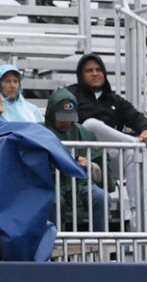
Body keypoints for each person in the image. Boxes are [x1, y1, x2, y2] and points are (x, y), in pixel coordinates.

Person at [43, 90, 108, 232]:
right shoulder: (40, 132)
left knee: (101, 197)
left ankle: (100, 241)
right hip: (51, 184)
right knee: (52, 200)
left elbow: (103, 174)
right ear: (52, 114)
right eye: (61, 117)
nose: (66, 122)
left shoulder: (85, 134)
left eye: (70, 117)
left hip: (81, 184)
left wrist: (89, 165)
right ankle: (52, 241)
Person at [71, 54, 147, 145]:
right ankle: (136, 144)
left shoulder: (114, 99)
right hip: (84, 151)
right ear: (81, 75)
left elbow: (135, 116)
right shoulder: (71, 95)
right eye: (89, 71)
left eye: (99, 70)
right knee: (91, 125)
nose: (95, 73)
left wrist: (145, 129)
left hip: (113, 152)